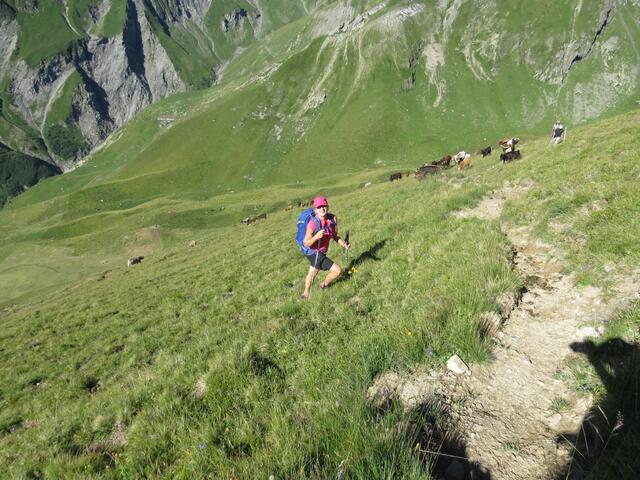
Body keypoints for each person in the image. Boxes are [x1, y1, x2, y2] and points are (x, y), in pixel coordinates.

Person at [302, 196, 350, 299]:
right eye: (319, 207)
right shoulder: (313, 224)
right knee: (337, 271)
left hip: (322, 252)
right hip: (313, 252)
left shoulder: (333, 219)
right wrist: (316, 237)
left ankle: (305, 294)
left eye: (324, 206)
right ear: (315, 210)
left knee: (312, 272)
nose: (322, 209)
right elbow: (305, 243)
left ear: (327, 206)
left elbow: (335, 235)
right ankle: (323, 285)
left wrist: (343, 244)